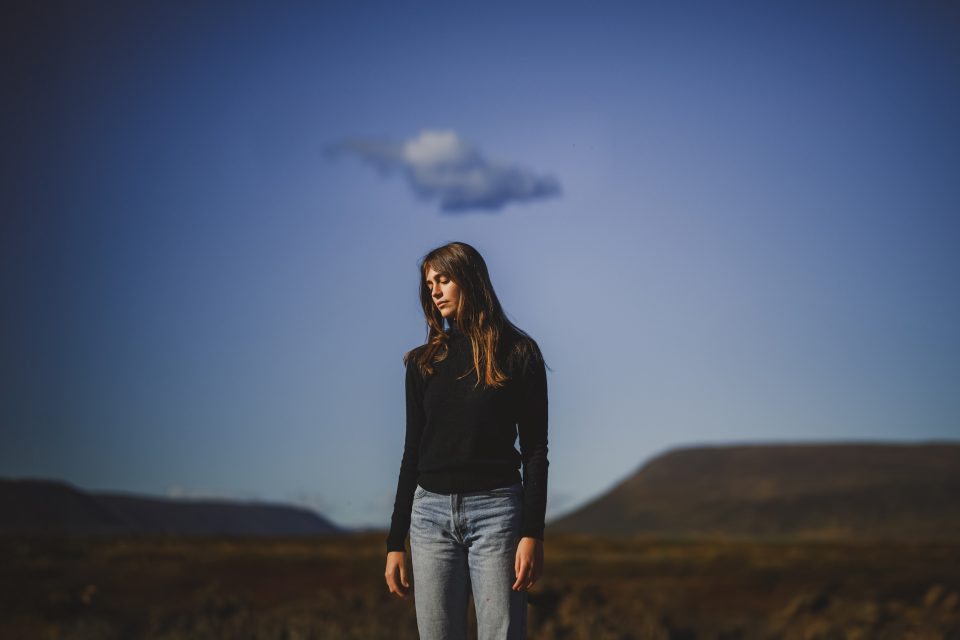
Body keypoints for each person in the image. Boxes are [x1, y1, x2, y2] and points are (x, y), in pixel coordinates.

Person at [384, 241, 549, 640]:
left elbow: (535, 452)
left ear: (470, 280)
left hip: (498, 514)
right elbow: (412, 453)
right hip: (429, 518)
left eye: (443, 280)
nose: (435, 291)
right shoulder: (423, 364)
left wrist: (533, 533)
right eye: (429, 284)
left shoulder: (519, 353)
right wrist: (395, 541)